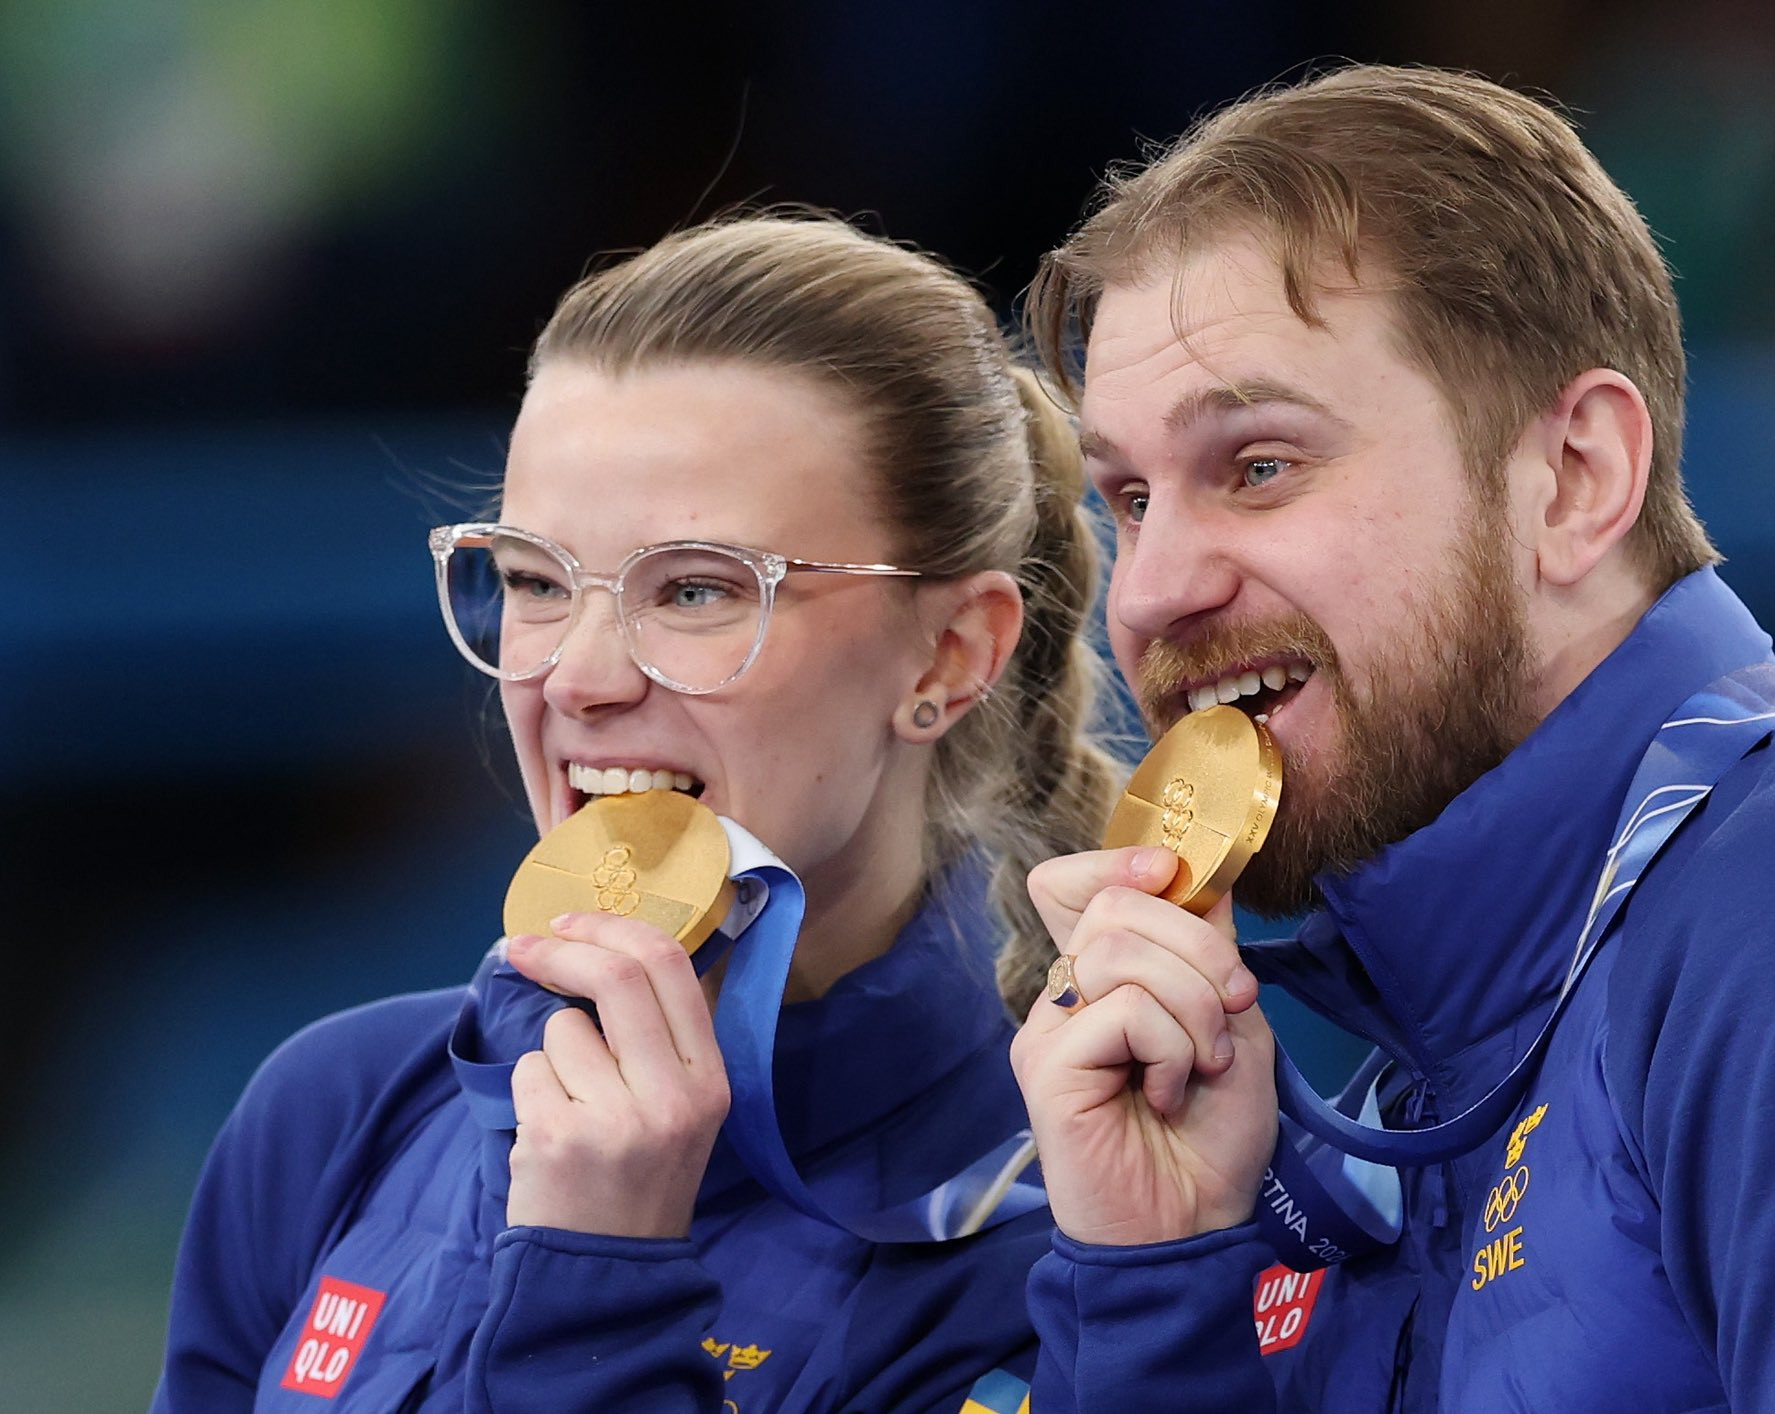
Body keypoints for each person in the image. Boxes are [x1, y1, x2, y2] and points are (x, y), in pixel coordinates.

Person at [1007, 64, 1775, 1411]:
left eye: (1258, 466)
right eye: (1131, 497)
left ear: (1574, 478)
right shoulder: (1381, 1088)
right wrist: (1158, 1280)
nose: (1148, 591)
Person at [153, 212, 1120, 1412]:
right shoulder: (340, 1110)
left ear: (950, 653)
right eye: (535, 580)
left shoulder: (1080, 1229)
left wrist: (592, 1287)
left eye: (698, 589)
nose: (576, 676)